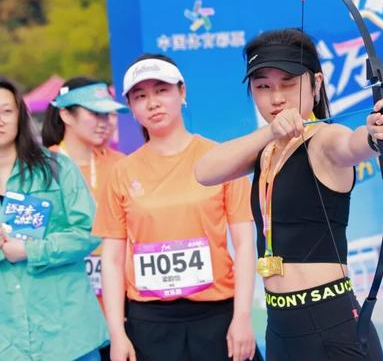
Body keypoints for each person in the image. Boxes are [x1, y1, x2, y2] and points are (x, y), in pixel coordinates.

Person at [195, 28, 383, 360]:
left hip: (330, 322)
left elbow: (351, 145)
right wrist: (269, 133)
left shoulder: (324, 140)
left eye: (289, 84)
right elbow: (205, 171)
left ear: (316, 84)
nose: (276, 98)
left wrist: (376, 136)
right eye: (263, 87)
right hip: (280, 327)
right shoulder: (267, 148)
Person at [92, 54, 260, 361]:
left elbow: (245, 245)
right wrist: (117, 333)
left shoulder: (221, 160)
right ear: (130, 107)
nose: (152, 103)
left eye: (161, 90)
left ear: (182, 92)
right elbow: (112, 260)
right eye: (140, 96)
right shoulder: (121, 172)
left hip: (218, 317)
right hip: (149, 324)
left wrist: (242, 317)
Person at [0, 76, 108, 360]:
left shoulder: (56, 167)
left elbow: (90, 230)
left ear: (20, 115)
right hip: (8, 343)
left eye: (6, 111)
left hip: (68, 336)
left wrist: (30, 250)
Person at [42, 77, 128, 360]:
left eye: (108, 114)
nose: (104, 122)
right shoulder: (39, 168)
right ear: (66, 115)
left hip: (120, 309)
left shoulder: (121, 165)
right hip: (64, 311)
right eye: (94, 113)